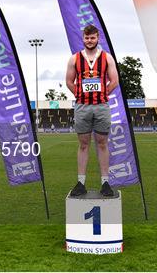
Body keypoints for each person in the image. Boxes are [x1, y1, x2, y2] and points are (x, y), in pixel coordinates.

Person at [65, 24, 119, 197]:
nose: (89, 41)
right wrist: (80, 94)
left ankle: (105, 182)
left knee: (102, 143)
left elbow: (114, 80)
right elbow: (69, 81)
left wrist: (103, 93)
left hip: (101, 106)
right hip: (82, 106)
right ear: (83, 39)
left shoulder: (107, 58)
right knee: (83, 144)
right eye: (87, 38)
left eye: (92, 38)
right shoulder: (74, 59)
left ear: (98, 38)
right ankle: (81, 182)